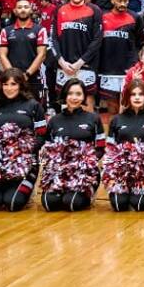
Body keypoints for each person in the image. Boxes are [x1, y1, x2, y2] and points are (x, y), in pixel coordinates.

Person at [0, 68, 48, 212]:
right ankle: (4, 186)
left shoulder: (33, 105)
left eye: (13, 84)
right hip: (0, 164)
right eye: (5, 84)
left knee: (12, 203)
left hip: (25, 163)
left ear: (21, 85)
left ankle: (26, 187)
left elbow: (42, 135)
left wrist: (22, 150)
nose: (9, 88)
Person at [41, 78, 106, 212]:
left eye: (78, 94)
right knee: (49, 203)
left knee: (71, 203)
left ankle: (89, 193)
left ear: (84, 96)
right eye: (70, 93)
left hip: (84, 174)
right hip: (60, 173)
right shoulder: (54, 120)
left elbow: (100, 148)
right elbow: (48, 148)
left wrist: (83, 163)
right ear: (65, 95)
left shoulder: (93, 118)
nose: (74, 98)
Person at [105, 79, 144, 212]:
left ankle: (138, 194)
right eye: (133, 94)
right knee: (119, 204)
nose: (137, 98)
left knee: (139, 204)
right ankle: (124, 192)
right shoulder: (116, 120)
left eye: (141, 94)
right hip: (122, 172)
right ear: (127, 97)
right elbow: (110, 148)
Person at [50, 0, 104, 108]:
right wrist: (61, 62)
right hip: (64, 66)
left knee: (87, 105)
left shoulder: (95, 10)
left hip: (86, 65)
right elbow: (53, 38)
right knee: (66, 106)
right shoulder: (59, 10)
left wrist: (80, 62)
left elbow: (97, 40)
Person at [96, 0, 142, 112]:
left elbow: (140, 42)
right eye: (120, 1)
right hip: (107, 69)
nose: (123, 4)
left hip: (127, 68)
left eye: (125, 1)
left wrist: (135, 62)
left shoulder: (135, 17)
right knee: (111, 105)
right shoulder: (102, 17)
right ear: (112, 0)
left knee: (127, 103)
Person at [0, 0, 49, 103]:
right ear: (15, 11)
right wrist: (13, 75)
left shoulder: (40, 30)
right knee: (12, 109)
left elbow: (42, 55)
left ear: (31, 10)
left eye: (26, 7)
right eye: (20, 7)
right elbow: (2, 55)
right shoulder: (5, 31)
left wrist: (27, 74)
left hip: (33, 78)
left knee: (35, 108)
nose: (23, 10)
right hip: (12, 81)